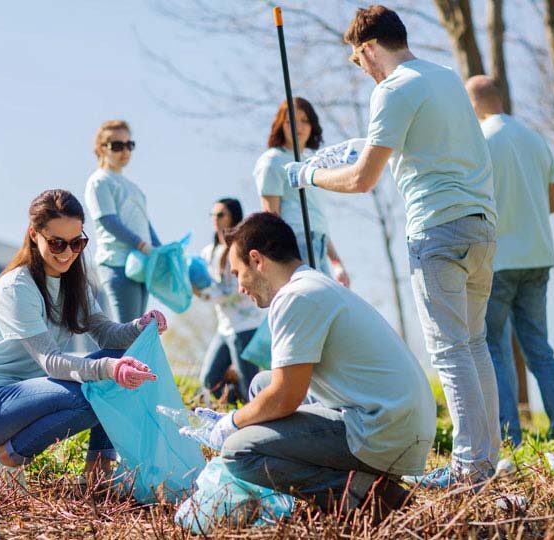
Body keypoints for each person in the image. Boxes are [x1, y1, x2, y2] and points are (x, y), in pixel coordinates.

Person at [285, 5, 499, 487]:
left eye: (357, 61)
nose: (360, 71)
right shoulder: (443, 76)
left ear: (368, 49)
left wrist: (310, 175)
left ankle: (468, 469)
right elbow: (423, 141)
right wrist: (361, 142)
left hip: (437, 229)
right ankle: (486, 460)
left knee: (449, 350)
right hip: (481, 225)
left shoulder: (392, 89)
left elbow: (363, 181)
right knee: (474, 343)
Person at [202, 212, 436, 520]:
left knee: (239, 451)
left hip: (383, 430)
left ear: (257, 260)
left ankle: (366, 494)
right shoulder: (313, 285)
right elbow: (278, 389)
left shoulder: (296, 297)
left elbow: (286, 398)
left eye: (237, 272)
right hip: (396, 420)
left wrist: (232, 422)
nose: (240, 287)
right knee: (261, 384)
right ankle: (360, 482)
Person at [0, 189, 167, 483]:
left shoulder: (73, 284)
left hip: (34, 394)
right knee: (98, 388)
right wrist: (108, 371)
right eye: (56, 243)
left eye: (77, 242)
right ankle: (6, 456)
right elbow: (52, 362)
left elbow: (106, 335)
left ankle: (98, 473)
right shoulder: (17, 288)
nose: (68, 253)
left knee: (117, 363)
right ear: (34, 235)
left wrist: (139, 326)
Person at [465, 75, 554, 446]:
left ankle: (510, 436)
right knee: (539, 348)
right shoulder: (535, 139)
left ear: (476, 103)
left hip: (498, 260)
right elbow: (552, 204)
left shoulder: (479, 142)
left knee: (493, 345)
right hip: (539, 257)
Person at [253, 98, 349, 285]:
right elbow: (271, 216)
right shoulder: (273, 161)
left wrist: (336, 261)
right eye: (291, 121)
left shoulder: (313, 162)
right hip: (295, 243)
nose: (299, 127)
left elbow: (316, 216)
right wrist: (281, 258)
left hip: (318, 243)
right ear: (281, 125)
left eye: (304, 120)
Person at [84, 120, 163, 323]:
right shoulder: (99, 181)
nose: (125, 150)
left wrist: (160, 249)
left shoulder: (133, 187)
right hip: (117, 263)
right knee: (127, 331)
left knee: (137, 330)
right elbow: (108, 221)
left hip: (141, 263)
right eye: (117, 145)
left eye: (129, 145)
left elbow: (145, 224)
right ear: (102, 148)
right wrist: (141, 244)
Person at [197, 198, 263, 403]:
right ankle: (241, 407)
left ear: (233, 216)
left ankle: (257, 417)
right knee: (209, 379)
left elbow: (239, 286)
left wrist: (209, 294)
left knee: (250, 383)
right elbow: (206, 282)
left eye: (221, 215)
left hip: (245, 325)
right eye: (213, 215)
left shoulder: (242, 247)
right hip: (224, 327)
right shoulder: (208, 252)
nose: (215, 219)